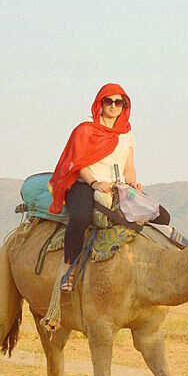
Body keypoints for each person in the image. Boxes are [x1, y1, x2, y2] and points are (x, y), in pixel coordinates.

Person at [48, 83, 170, 291]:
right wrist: (94, 183)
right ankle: (68, 269)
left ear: (124, 106)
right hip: (85, 184)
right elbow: (78, 164)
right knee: (80, 218)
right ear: (100, 103)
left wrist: (133, 184)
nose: (114, 106)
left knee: (162, 216)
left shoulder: (126, 134)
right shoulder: (86, 129)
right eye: (109, 101)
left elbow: (128, 167)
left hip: (118, 187)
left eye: (118, 102)